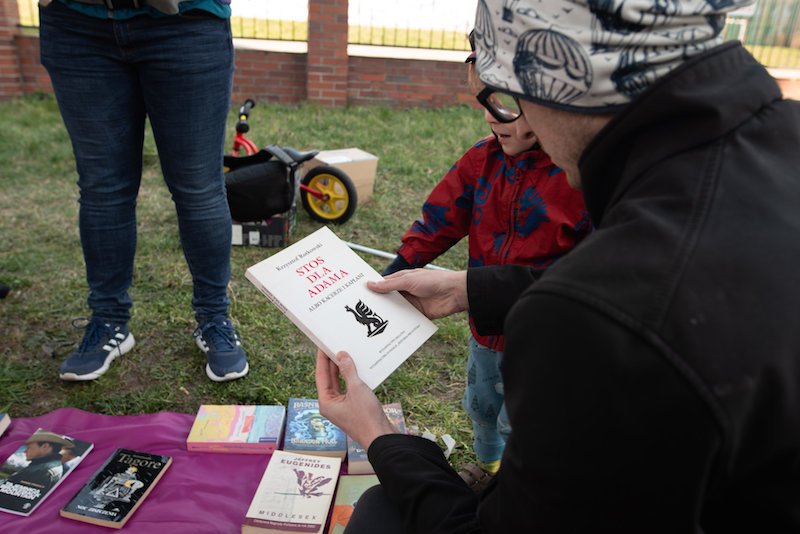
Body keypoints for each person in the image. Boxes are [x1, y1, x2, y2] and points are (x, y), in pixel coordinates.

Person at [315, 0, 800, 532]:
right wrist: (467, 290)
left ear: (558, 79)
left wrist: (382, 437)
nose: (503, 121)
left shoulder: (590, 323)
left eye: (503, 97)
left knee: (381, 513)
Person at [383, 36, 590, 481]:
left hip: (543, 338)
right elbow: (439, 218)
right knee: (480, 405)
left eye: (507, 108)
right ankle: (488, 463)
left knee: (521, 420)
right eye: (486, 103)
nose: (493, 120)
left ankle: (512, 483)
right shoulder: (483, 159)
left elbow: (591, 269)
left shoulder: (579, 178)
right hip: (485, 327)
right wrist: (399, 266)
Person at [38, 0, 248, 382]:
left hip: (186, 23)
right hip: (76, 23)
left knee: (198, 188)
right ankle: (109, 323)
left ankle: (214, 319)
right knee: (103, 188)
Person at [4, 430, 73, 492]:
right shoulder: (42, 466)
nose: (25, 451)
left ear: (45, 446)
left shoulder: (43, 471)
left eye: (29, 447)